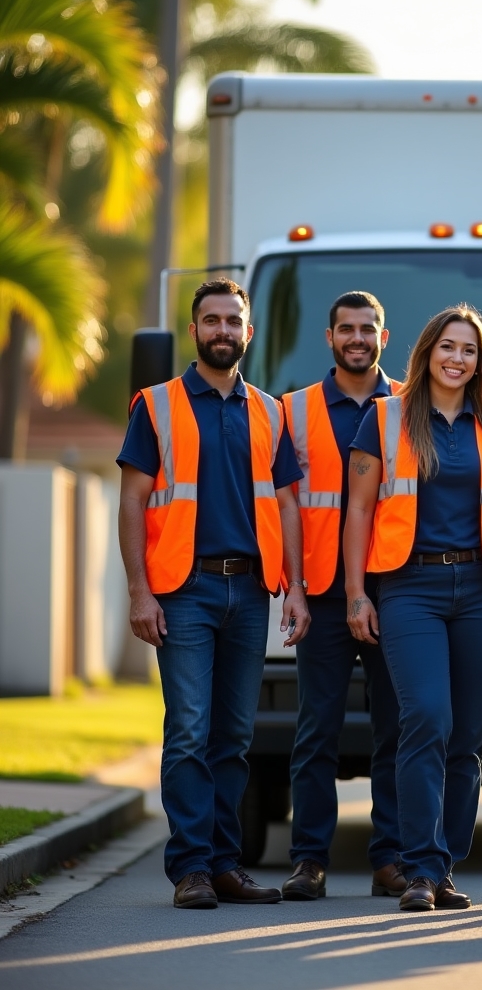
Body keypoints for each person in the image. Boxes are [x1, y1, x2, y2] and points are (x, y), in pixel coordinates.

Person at [117, 278, 311, 909]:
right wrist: (140, 593)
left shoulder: (269, 410)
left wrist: (297, 590)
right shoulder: (158, 404)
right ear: (195, 328)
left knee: (234, 734)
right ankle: (192, 868)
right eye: (212, 320)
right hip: (184, 590)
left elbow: (286, 505)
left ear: (247, 332)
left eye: (234, 321)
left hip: (251, 591)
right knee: (190, 731)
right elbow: (133, 501)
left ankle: (226, 863)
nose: (223, 330)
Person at [344, 305, 482, 912]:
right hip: (410, 589)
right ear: (426, 353)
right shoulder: (385, 418)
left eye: (469, 350)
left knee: (468, 736)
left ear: (481, 362)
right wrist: (355, 593)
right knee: (425, 718)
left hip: (481, 590)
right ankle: (418, 867)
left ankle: (443, 866)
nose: (457, 358)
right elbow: (361, 512)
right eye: (448, 347)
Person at [279, 291, 406, 901]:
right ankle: (309, 861)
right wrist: (294, 588)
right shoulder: (293, 411)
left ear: (384, 337)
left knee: (397, 732)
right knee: (316, 733)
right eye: (346, 329)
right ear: (330, 338)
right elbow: (283, 510)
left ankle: (391, 860)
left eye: (368, 329)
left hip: (399, 591)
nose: (358, 338)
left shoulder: (412, 404)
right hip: (323, 596)